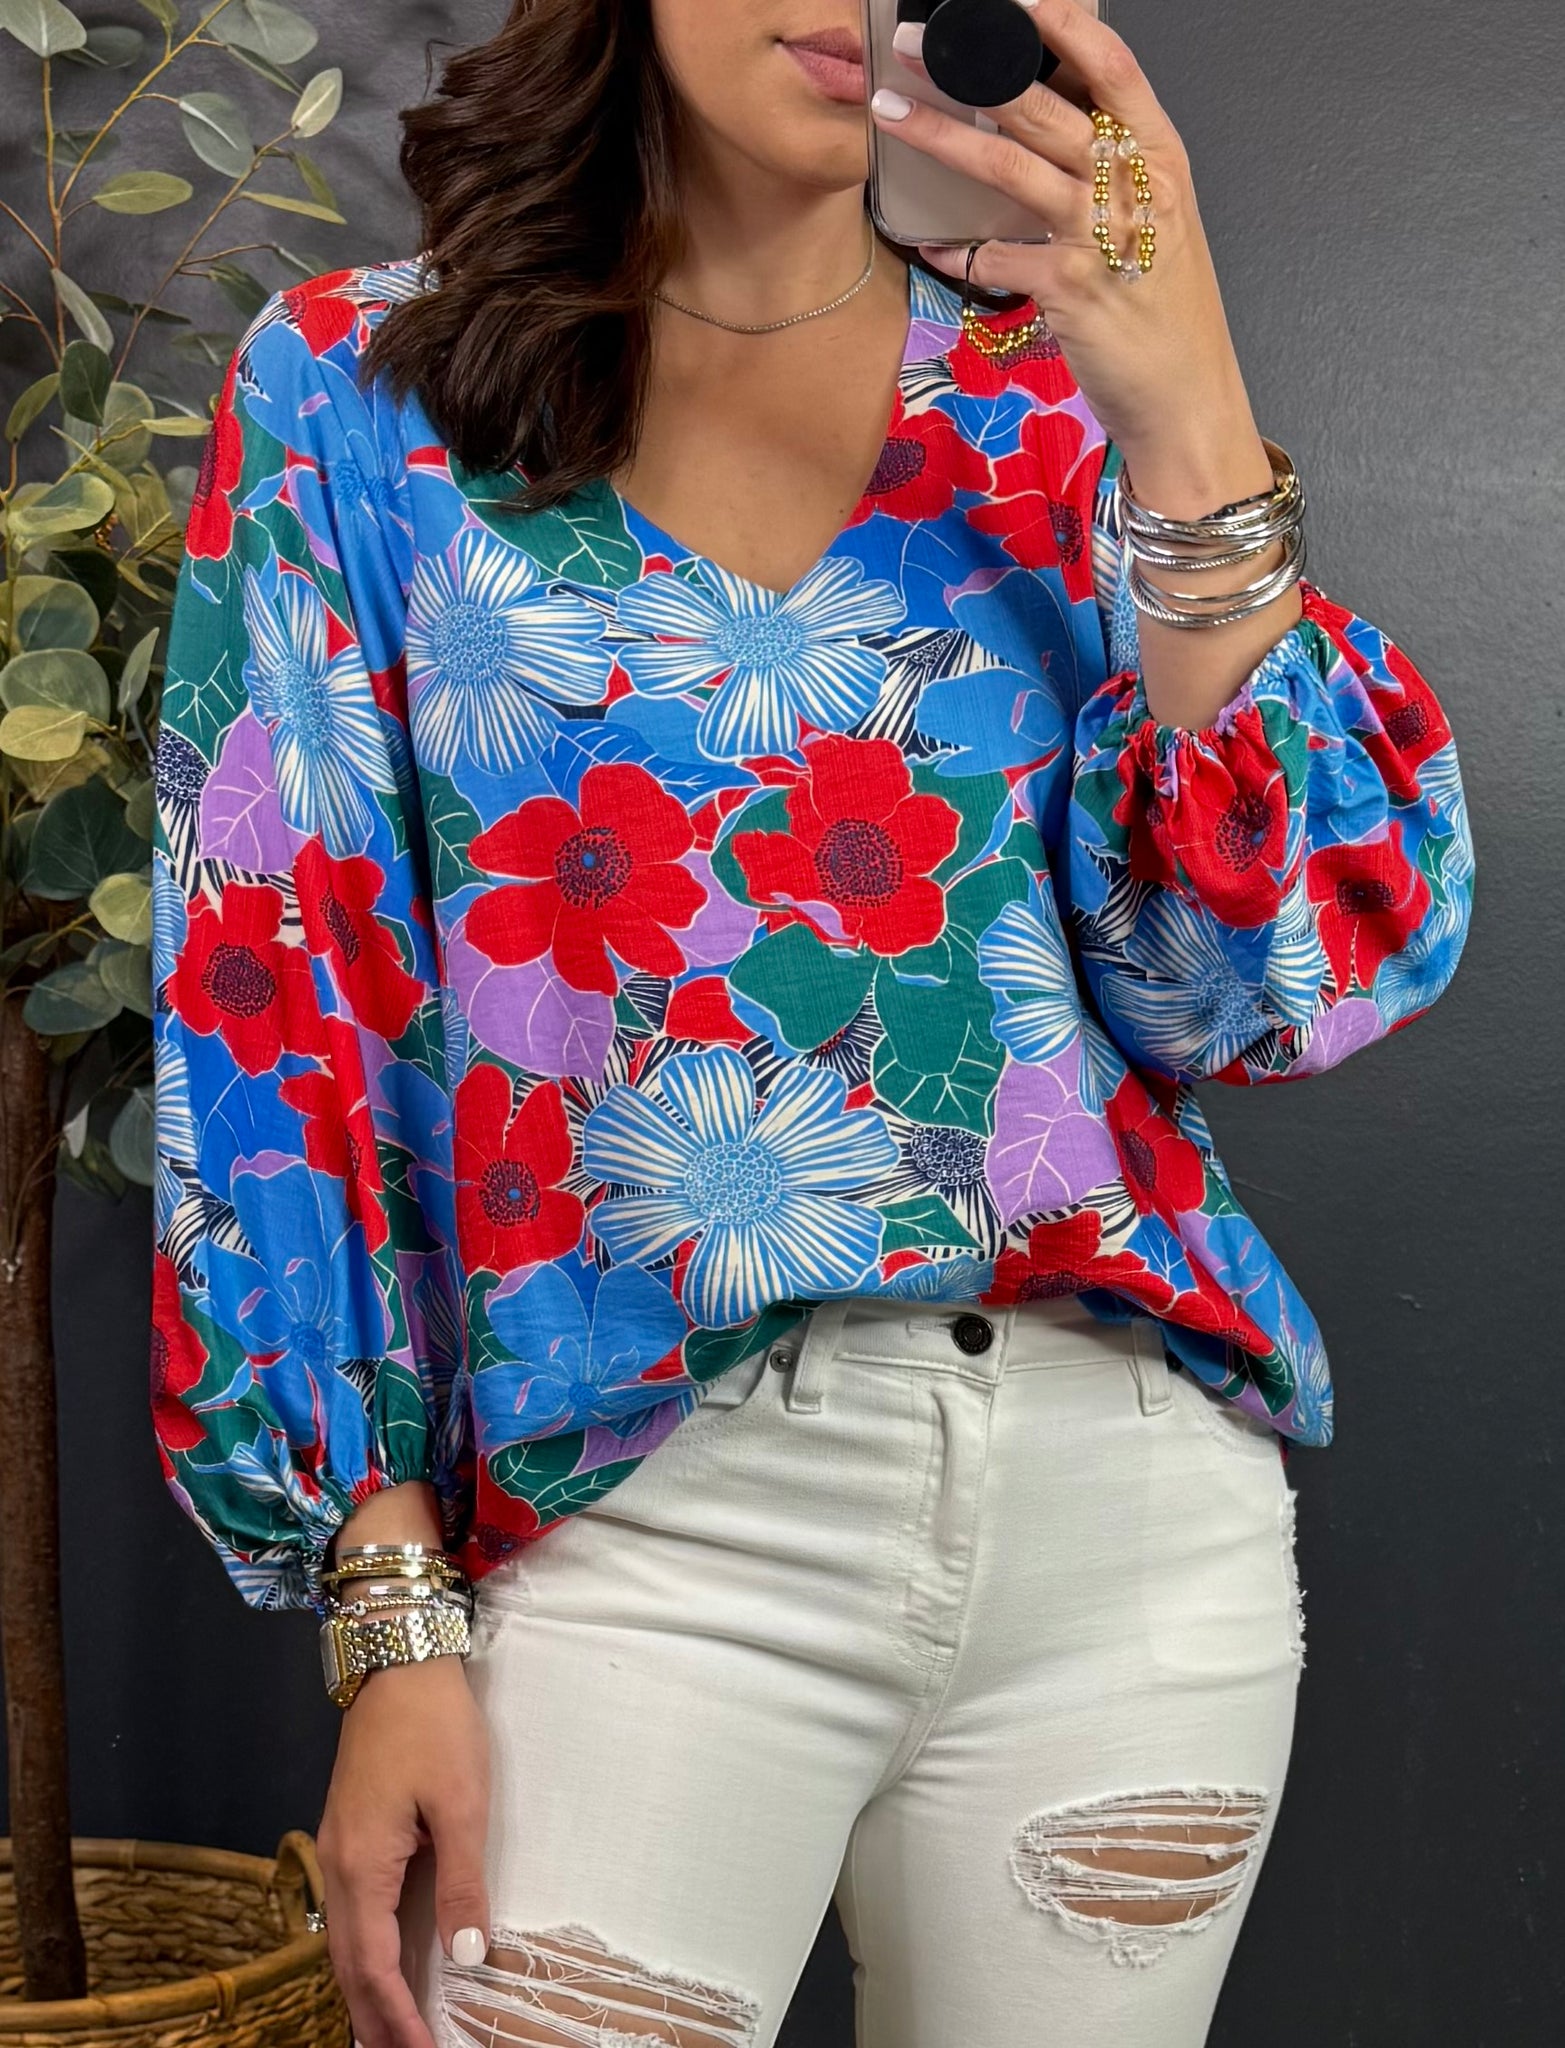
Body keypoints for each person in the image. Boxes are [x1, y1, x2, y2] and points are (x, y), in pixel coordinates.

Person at [148, 1, 1474, 2043]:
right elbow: (275, 996)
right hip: (639, 1516)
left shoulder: (1057, 392)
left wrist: (1189, 411)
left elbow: (1263, 984)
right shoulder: (360, 384)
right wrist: (389, 1610)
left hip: (1127, 1521)